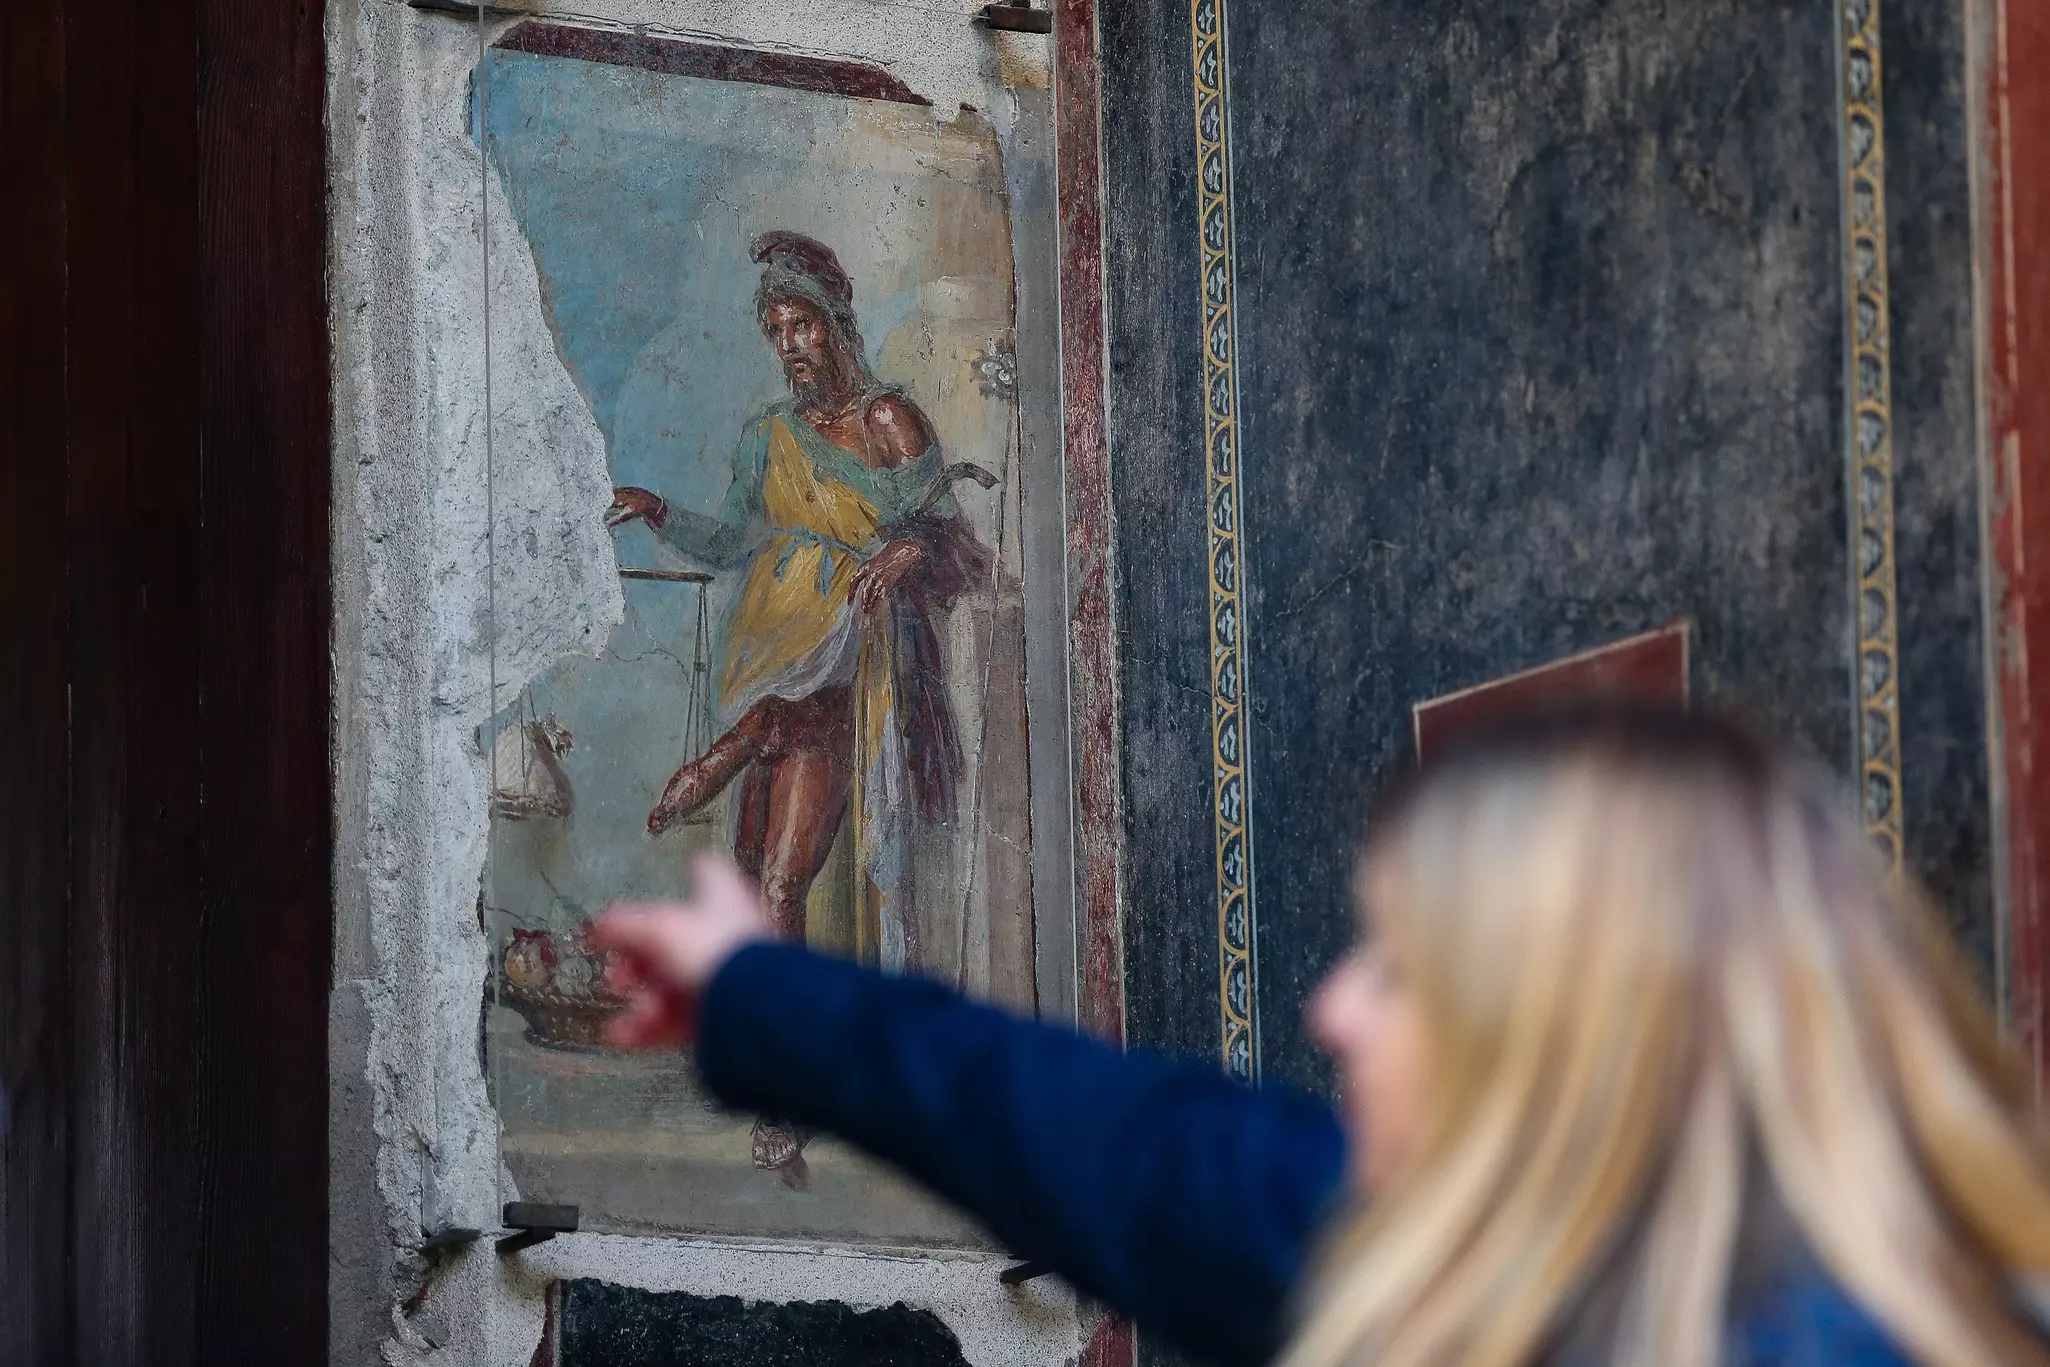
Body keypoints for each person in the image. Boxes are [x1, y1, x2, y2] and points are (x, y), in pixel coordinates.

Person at [591, 703, 2050, 1366]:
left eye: (1405, 969)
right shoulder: (1478, 1271)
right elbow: (1128, 1148)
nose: (1332, 1005)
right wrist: (753, 989)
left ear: (1580, 1038)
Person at [605, 230, 993, 1178]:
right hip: (781, 657)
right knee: (756, 878)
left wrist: (911, 549)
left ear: (837, 323)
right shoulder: (765, 439)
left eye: (802, 324)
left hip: (861, 677)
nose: (789, 345)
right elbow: (738, 542)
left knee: (782, 881)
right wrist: (664, 513)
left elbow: (964, 552)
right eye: (775, 330)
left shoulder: (889, 424)